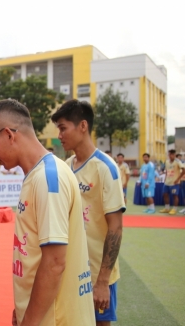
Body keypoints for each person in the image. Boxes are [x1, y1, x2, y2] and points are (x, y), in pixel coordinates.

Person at [0, 99, 95, 326]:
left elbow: (54, 263)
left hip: (56, 318)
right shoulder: (39, 174)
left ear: (9, 135)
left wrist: (29, 321)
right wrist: (24, 309)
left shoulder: (47, 178)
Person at [52, 99, 125, 326]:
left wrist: (102, 281)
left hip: (96, 276)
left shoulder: (106, 168)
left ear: (82, 126)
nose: (60, 135)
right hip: (71, 270)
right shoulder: (66, 166)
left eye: (63, 128)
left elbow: (116, 227)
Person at [159, 149, 185, 215]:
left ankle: (174, 209)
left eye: (171, 154)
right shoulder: (167, 161)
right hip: (167, 181)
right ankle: (167, 208)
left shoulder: (178, 161)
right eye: (169, 154)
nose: (170, 156)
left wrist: (178, 179)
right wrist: (165, 179)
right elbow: (167, 171)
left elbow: (184, 170)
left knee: (175, 195)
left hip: (174, 182)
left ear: (174, 155)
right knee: (165, 194)